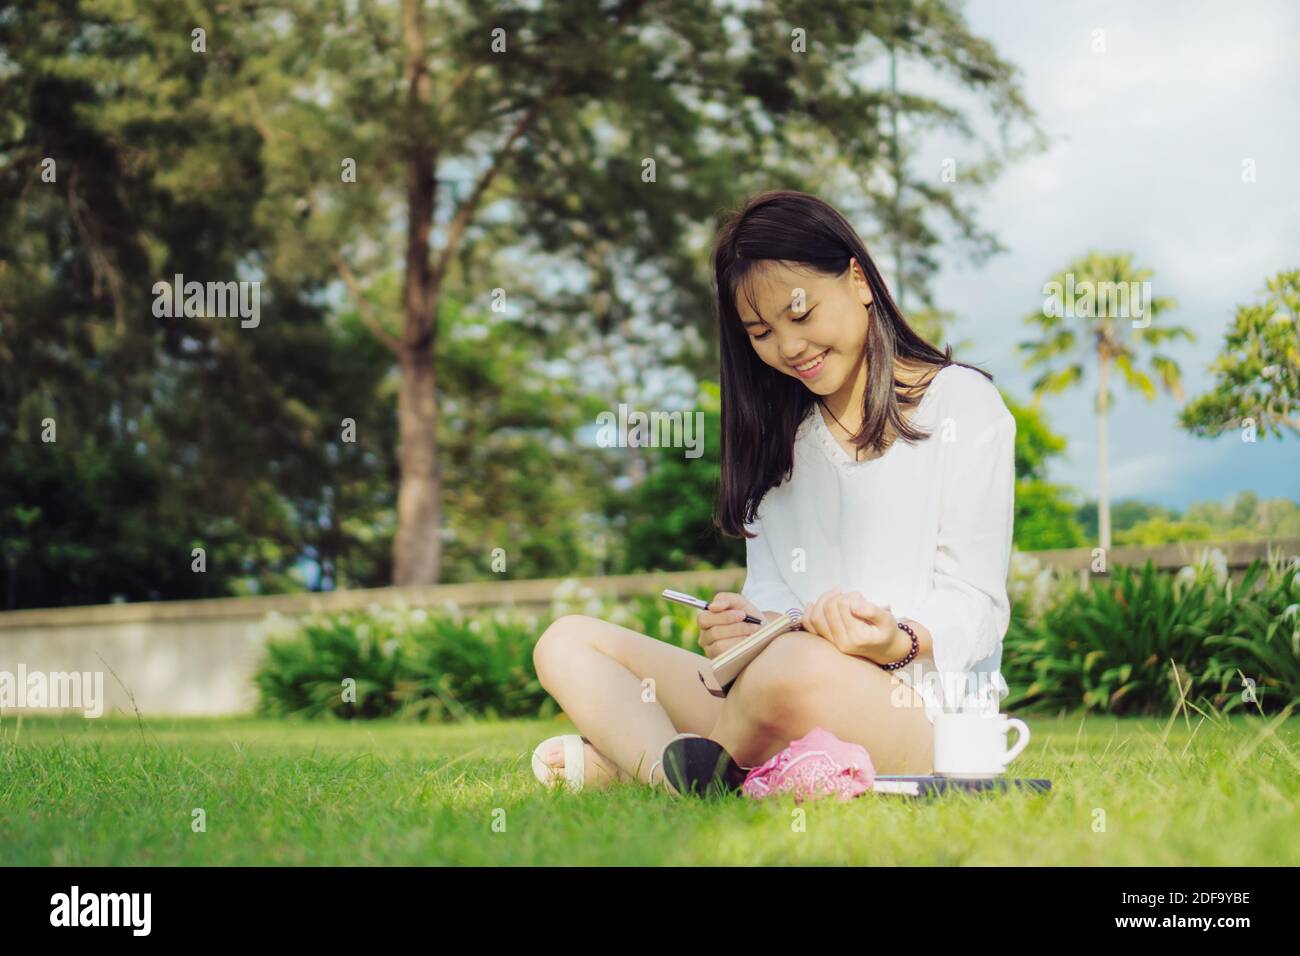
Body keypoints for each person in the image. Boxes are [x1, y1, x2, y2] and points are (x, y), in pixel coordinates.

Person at [531, 188, 1016, 795]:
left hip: (921, 712)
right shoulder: (782, 443)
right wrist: (745, 627)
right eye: (760, 332)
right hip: (774, 691)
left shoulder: (961, 404)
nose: (787, 348)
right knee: (567, 640)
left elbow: (978, 603)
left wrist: (895, 638)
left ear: (859, 279)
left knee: (791, 670)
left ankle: (658, 762)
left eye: (801, 314)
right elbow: (774, 605)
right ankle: (677, 779)